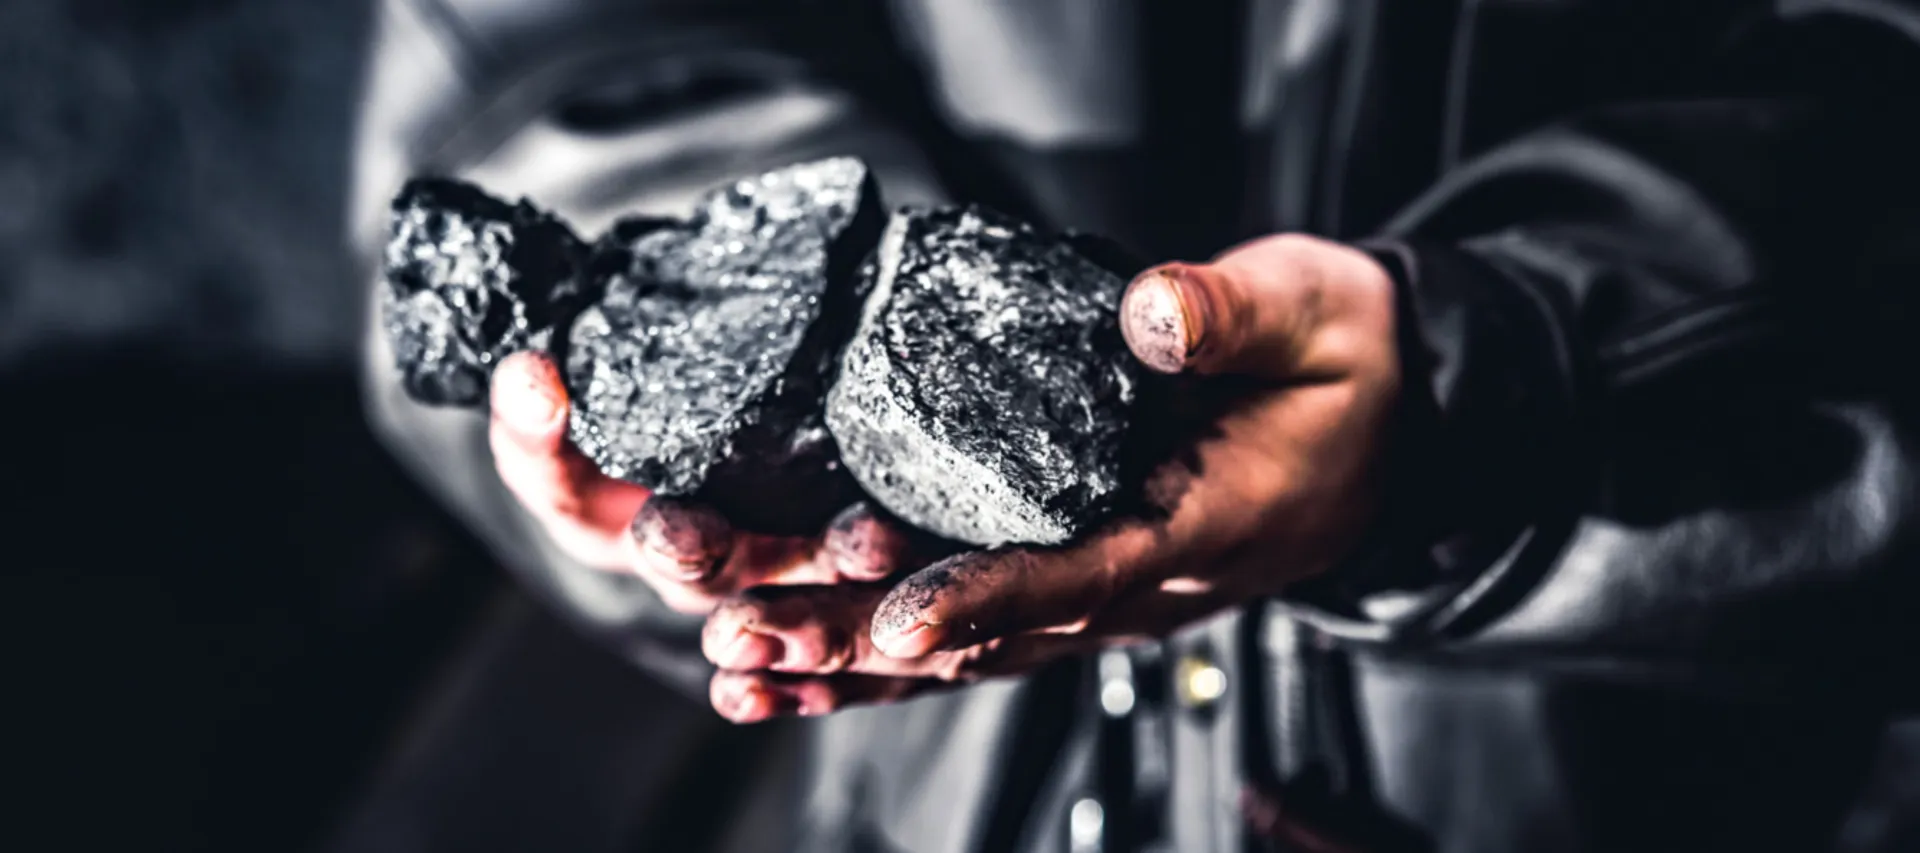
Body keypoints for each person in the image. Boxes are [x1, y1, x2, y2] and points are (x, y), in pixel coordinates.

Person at [359, 1, 1920, 850]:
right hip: (944, 789)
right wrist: (702, 315)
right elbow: (531, 52)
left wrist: (1485, 381)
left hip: (1565, 755)